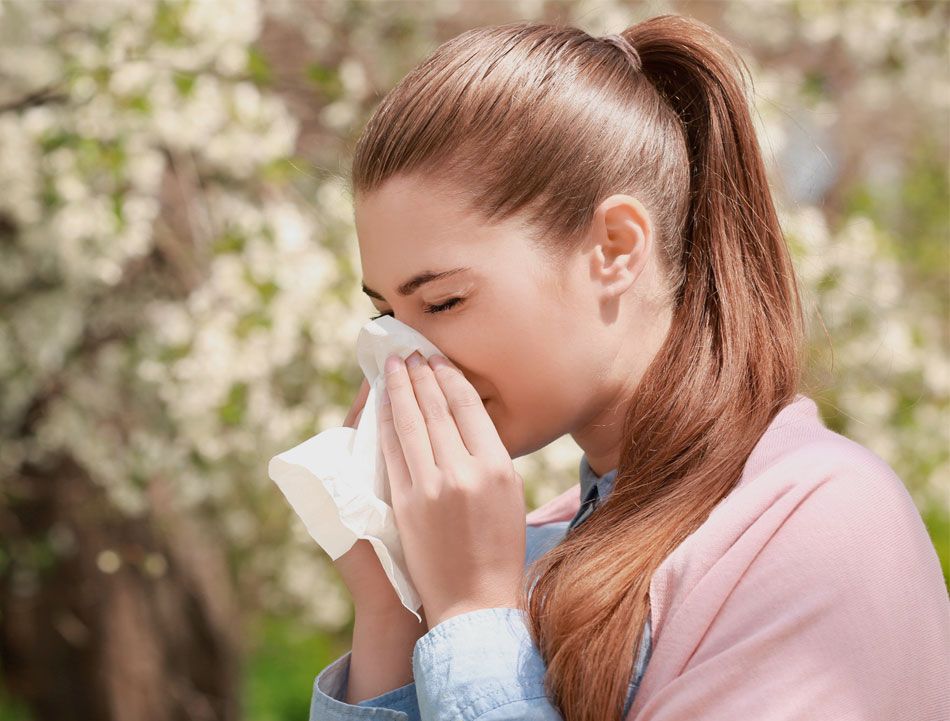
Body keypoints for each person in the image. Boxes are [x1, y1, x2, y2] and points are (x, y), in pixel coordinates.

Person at [307, 13, 950, 721]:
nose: (408, 356)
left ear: (614, 247)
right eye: (387, 317)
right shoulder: (535, 546)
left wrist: (471, 615)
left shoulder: (817, 525)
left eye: (444, 299)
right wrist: (394, 607)